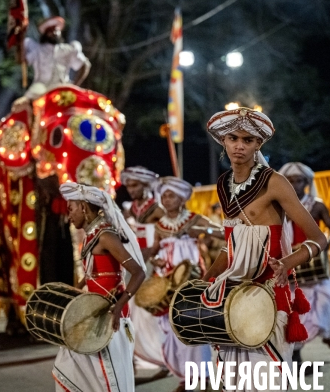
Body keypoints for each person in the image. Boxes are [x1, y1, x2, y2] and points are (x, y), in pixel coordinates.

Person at [202, 107, 327, 390]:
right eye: (233, 138)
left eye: (247, 140)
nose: (239, 145)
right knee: (229, 382)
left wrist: (288, 263)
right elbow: (230, 245)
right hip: (232, 292)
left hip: (268, 291)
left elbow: (319, 238)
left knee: (266, 381)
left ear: (259, 144)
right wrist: (206, 278)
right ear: (223, 141)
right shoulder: (224, 185)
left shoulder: (274, 182)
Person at [53, 182, 146, 392]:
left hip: (110, 317)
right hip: (92, 314)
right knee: (71, 363)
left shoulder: (105, 236)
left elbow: (139, 272)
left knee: (110, 380)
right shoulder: (91, 236)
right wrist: (73, 293)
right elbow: (91, 275)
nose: (69, 215)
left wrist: (119, 305)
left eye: (71, 209)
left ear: (84, 208)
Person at [148, 176, 223, 392]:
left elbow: (222, 232)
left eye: (171, 195)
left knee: (195, 327)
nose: (166, 199)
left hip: (191, 279)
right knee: (172, 331)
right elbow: (155, 250)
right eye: (164, 196)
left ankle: (207, 381)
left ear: (181, 199)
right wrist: (156, 260)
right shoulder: (160, 225)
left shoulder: (194, 219)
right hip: (167, 280)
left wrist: (202, 231)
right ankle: (185, 379)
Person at [278, 162, 330, 365]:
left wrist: (325, 243)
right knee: (294, 310)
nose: (295, 184)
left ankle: (311, 340)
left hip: (315, 266)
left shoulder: (317, 205)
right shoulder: (280, 206)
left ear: (307, 182)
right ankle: (295, 350)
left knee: (323, 305)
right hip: (292, 263)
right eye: (291, 181)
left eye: (299, 180)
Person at [120, 166, 168, 372]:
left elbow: (168, 231)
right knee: (132, 306)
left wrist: (153, 251)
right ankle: (136, 353)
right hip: (135, 261)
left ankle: (163, 353)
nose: (131, 189)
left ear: (146, 185)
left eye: (135, 185)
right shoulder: (130, 209)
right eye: (128, 185)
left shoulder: (157, 208)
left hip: (153, 261)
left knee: (153, 306)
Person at [23, 16, 91, 99]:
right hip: (39, 90)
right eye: (50, 31)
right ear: (45, 34)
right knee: (25, 105)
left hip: (62, 90)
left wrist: (74, 86)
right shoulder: (37, 49)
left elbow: (85, 65)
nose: (54, 33)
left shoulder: (68, 49)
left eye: (56, 30)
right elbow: (22, 60)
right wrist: (19, 43)